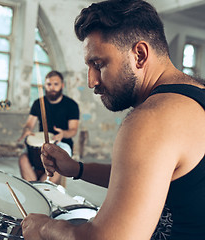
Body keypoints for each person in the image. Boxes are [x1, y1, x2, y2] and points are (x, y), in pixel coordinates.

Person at [21, 0, 205, 239]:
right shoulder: (196, 93)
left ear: (139, 55)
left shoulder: (151, 119)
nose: (91, 81)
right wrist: (77, 169)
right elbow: (145, 177)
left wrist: (43, 227)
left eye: (98, 64)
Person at [17, 70, 79, 185]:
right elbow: (29, 124)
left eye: (56, 84)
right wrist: (27, 130)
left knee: (57, 162)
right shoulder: (38, 103)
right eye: (49, 84)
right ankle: (36, 189)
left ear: (62, 85)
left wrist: (63, 134)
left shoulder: (71, 105)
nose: (52, 88)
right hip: (41, 143)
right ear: (45, 85)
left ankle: (42, 191)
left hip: (62, 143)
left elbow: (73, 130)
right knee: (23, 159)